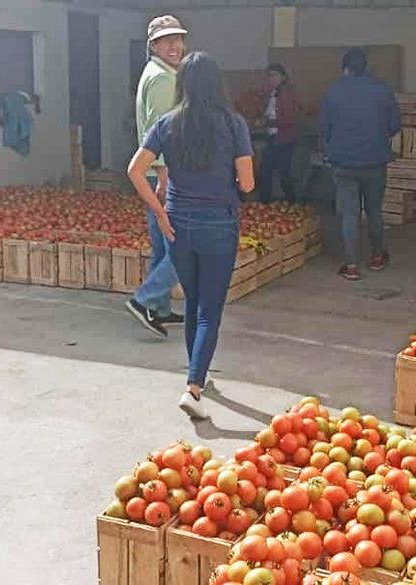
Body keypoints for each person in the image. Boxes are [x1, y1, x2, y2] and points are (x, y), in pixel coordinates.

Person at [127, 52, 255, 420]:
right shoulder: (233, 124)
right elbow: (247, 183)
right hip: (219, 223)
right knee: (209, 310)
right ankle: (194, 387)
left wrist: (158, 210)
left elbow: (135, 170)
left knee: (194, 304)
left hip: (177, 224)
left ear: (181, 84)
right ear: (219, 84)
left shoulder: (167, 124)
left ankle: (194, 374)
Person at [126, 15, 187, 337]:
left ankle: (158, 308)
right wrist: (164, 176)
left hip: (153, 173)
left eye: (178, 39)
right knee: (183, 243)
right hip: (162, 173)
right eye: (166, 40)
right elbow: (158, 132)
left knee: (164, 245)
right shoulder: (164, 79)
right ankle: (145, 299)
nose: (174, 45)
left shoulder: (155, 72)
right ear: (153, 44)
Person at [320, 49, 401, 281]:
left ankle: (352, 265)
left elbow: (325, 128)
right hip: (375, 161)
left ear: (345, 67)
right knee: (374, 210)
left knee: (349, 214)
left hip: (343, 163)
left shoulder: (333, 91)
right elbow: (395, 125)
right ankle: (377, 257)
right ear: (367, 66)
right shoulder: (382, 89)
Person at [258, 63, 299, 203]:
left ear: (283, 77)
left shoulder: (286, 93)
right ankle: (269, 204)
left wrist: (267, 122)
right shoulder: (273, 93)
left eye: (275, 75)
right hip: (273, 137)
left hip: (283, 139)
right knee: (269, 172)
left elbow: (288, 118)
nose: (272, 78)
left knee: (279, 174)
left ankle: (290, 203)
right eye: (269, 75)